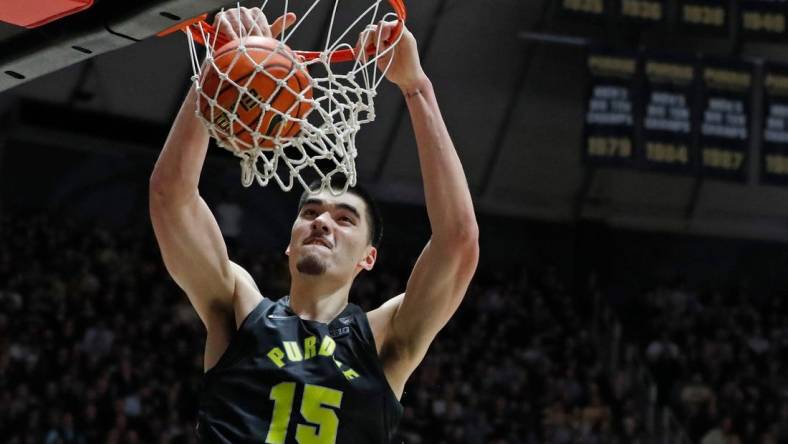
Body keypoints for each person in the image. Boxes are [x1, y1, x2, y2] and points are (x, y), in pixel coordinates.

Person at [149, 6, 478, 443]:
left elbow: (457, 241)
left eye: (345, 219)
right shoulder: (239, 308)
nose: (322, 221)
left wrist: (416, 88)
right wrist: (225, 66)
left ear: (368, 257)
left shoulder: (384, 339)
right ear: (289, 244)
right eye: (310, 213)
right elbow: (171, 196)